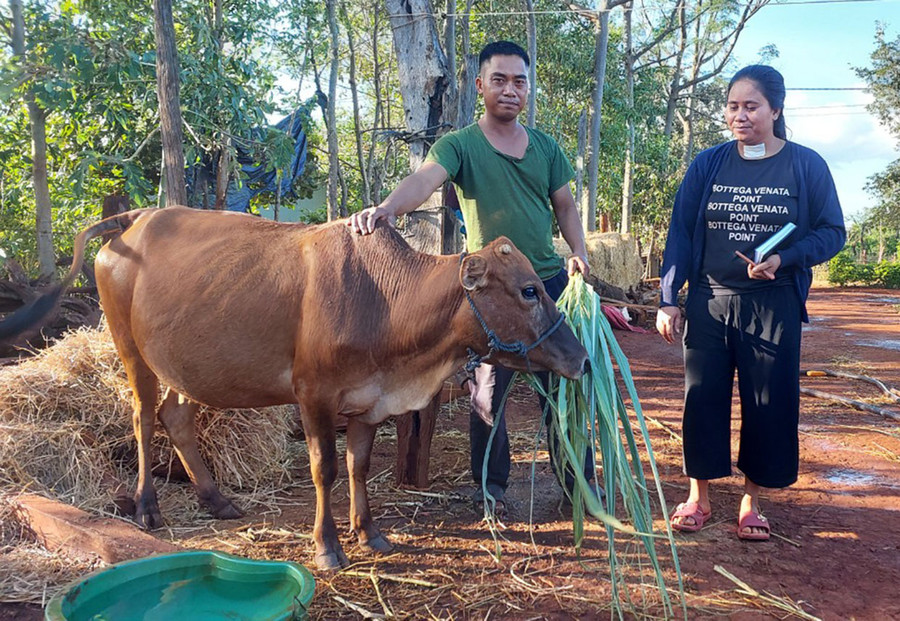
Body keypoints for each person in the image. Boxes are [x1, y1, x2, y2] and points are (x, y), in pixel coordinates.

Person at [349, 40, 596, 515]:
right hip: (490, 296)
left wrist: (579, 253)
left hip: (545, 286)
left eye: (519, 81)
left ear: (528, 89)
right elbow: (424, 180)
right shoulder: (460, 144)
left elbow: (564, 205)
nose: (510, 89)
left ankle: (578, 488)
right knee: (486, 397)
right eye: (499, 80)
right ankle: (491, 489)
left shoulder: (546, 148)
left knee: (564, 390)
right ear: (480, 85)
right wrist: (386, 210)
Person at [656, 65, 845, 540]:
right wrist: (668, 299)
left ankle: (751, 502)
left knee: (767, 402)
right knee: (701, 400)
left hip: (773, 305)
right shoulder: (709, 164)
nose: (740, 116)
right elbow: (680, 230)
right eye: (733, 106)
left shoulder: (806, 165)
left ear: (776, 110)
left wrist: (787, 257)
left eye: (752, 106)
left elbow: (832, 232)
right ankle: (698, 497)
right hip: (710, 302)